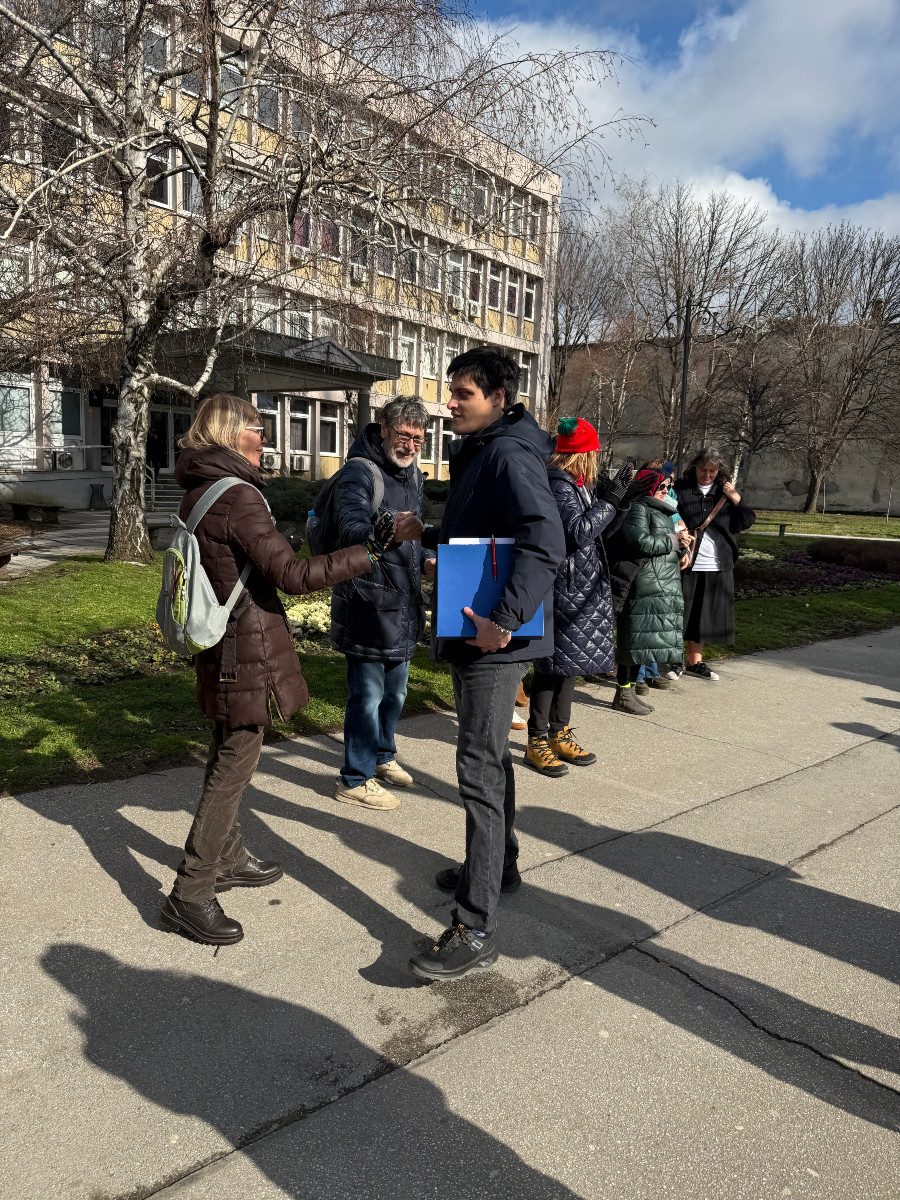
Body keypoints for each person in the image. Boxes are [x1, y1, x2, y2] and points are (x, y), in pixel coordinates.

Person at [160, 393, 398, 947]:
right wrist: (369, 551)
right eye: (256, 431)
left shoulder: (202, 487)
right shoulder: (239, 496)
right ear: (229, 435)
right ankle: (190, 894)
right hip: (244, 645)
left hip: (221, 643)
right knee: (234, 763)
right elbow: (290, 574)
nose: (264, 440)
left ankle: (230, 855)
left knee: (227, 748)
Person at [409, 346, 565, 982]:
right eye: (451, 391)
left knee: (476, 764)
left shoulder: (506, 452)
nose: (450, 402)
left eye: (462, 394)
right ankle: (498, 866)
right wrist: (425, 536)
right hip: (481, 628)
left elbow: (543, 539)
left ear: (499, 398)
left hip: (492, 638)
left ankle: (474, 925)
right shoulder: (485, 446)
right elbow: (485, 531)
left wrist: (504, 619)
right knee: (491, 757)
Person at [330, 396, 429, 810]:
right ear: (383, 428)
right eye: (403, 435)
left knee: (396, 693)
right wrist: (388, 526)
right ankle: (355, 777)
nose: (409, 446)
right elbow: (351, 526)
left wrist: (426, 560)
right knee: (366, 696)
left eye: (418, 439)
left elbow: (413, 537)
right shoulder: (358, 471)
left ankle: (384, 756)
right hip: (368, 602)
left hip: (403, 600)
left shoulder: (414, 476)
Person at [525, 416, 623, 777]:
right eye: (595, 451)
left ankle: (559, 731)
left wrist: (621, 503)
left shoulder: (579, 484)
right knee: (551, 667)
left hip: (579, 585)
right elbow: (577, 532)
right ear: (583, 454)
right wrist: (610, 503)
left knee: (570, 665)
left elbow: (600, 531)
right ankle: (537, 739)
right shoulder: (560, 484)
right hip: (564, 587)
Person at [608, 468, 686, 716]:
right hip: (642, 584)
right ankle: (623, 692)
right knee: (633, 641)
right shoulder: (639, 507)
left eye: (669, 487)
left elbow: (662, 544)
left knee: (644, 643)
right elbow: (639, 540)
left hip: (659, 585)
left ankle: (629, 691)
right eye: (662, 487)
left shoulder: (660, 510)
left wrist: (680, 548)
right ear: (650, 488)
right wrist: (672, 542)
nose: (666, 491)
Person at [675, 448, 756, 680]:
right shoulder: (681, 489)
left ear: (719, 471)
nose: (707, 474)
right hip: (687, 560)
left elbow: (747, 520)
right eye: (703, 469)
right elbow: (670, 518)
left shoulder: (724, 493)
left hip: (717, 562)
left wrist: (736, 497)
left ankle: (694, 661)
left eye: (712, 470)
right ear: (695, 468)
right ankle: (671, 661)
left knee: (703, 615)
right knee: (680, 613)